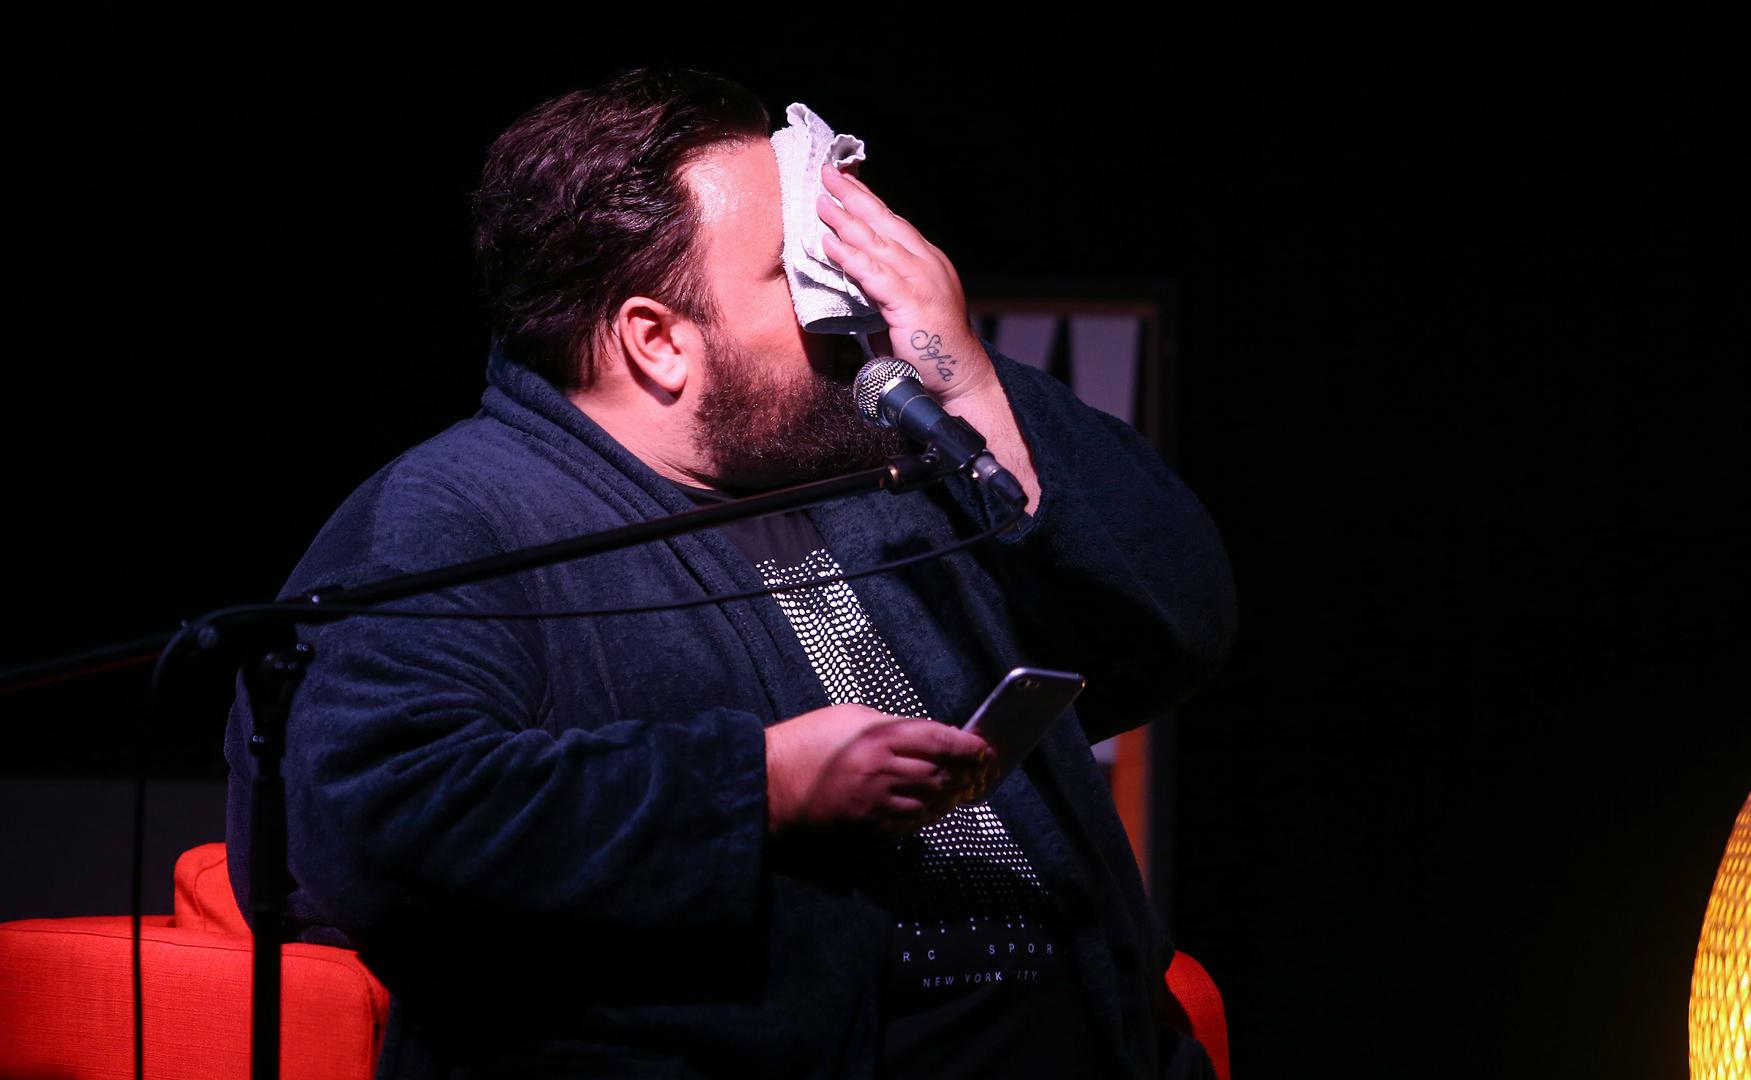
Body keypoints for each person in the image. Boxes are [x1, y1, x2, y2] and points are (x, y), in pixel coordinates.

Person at [225, 67, 1237, 1079]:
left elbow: (1170, 627)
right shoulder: (459, 514)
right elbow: (366, 823)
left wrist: (962, 369)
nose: (846, 300)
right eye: (794, 268)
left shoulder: (867, 463)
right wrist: (760, 783)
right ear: (657, 340)